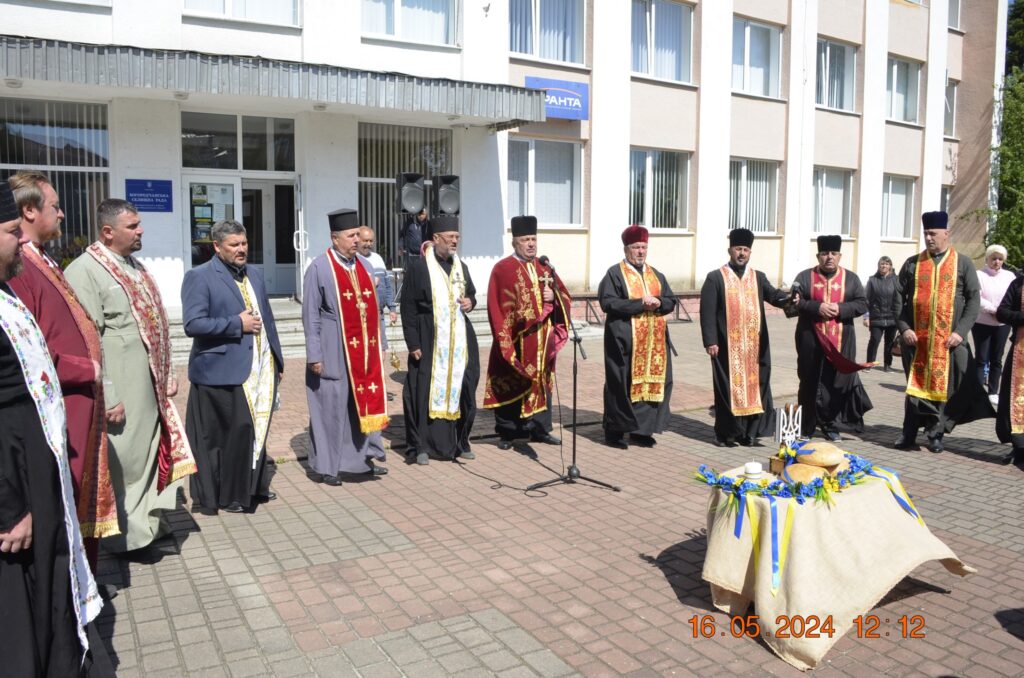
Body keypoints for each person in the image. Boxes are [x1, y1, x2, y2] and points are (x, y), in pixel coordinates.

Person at [0, 180, 106, 675]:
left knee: (54, 572)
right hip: (16, 481)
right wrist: (10, 507)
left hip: (40, 458)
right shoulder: (18, 275)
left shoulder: (12, 279)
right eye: (8, 231)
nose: (17, 240)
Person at [65, 199, 195, 553]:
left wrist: (167, 372)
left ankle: (149, 524)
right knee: (129, 460)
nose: (141, 231)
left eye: (139, 224)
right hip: (121, 386)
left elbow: (156, 324)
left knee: (152, 453)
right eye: (133, 226)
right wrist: (108, 391)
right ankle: (130, 540)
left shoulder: (133, 266)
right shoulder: (85, 271)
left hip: (148, 384)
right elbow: (86, 340)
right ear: (108, 232)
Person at [6, 171, 117, 572]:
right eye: (54, 206)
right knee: (63, 501)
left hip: (80, 405)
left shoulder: (42, 260)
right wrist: (86, 367)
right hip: (62, 408)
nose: (63, 214)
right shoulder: (18, 268)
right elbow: (28, 352)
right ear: (29, 211)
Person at [181, 219, 284, 514]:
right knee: (227, 436)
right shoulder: (199, 276)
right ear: (217, 246)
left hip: (258, 368)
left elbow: (268, 318)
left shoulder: (255, 273)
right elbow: (193, 324)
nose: (241, 250)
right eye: (234, 245)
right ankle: (227, 496)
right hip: (220, 371)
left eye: (244, 243)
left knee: (254, 430)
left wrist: (276, 360)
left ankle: (251, 487)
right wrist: (235, 324)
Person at [894, 211, 994, 453]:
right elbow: (898, 297)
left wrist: (960, 332)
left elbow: (973, 300)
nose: (928, 238)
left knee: (947, 389)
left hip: (949, 340)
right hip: (917, 341)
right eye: (926, 233)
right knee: (915, 388)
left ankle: (936, 434)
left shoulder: (963, 263)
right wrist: (905, 327)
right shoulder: (912, 263)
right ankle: (908, 434)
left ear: (946, 234)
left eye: (933, 233)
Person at [302, 208, 388, 485]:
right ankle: (328, 467)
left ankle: (359, 461)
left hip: (363, 352)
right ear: (334, 238)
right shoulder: (319, 267)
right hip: (332, 349)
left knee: (358, 404)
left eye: (357, 235)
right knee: (331, 407)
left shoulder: (364, 266)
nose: (356, 240)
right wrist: (314, 353)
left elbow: (375, 310)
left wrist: (380, 344)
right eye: (350, 236)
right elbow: (311, 314)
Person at [483, 215, 571, 450]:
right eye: (525, 239)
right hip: (516, 338)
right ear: (515, 243)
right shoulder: (503, 269)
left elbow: (564, 294)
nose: (531, 243)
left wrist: (556, 298)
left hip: (542, 341)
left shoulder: (544, 266)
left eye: (533, 239)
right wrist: (511, 331)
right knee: (512, 380)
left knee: (541, 383)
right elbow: (496, 304)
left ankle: (540, 430)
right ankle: (508, 433)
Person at [699, 228, 790, 447]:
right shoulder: (715, 277)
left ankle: (748, 432)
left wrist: (790, 297)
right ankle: (725, 433)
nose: (742, 253)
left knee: (756, 388)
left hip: (754, 347)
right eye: (738, 249)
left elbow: (773, 296)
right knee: (727, 390)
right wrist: (710, 340)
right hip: (725, 346)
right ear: (730, 250)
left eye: (746, 250)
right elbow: (707, 312)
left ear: (750, 252)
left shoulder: (757, 277)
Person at [400, 215, 480, 464]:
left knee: (465, 385)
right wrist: (413, 343)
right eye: (451, 237)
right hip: (428, 338)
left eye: (457, 237)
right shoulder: (419, 268)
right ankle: (421, 445)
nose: (455, 241)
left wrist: (471, 302)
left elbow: (472, 294)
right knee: (422, 390)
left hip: (459, 339)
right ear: (436, 239)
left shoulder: (461, 266)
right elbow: (408, 307)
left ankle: (460, 442)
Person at [598, 224, 677, 449]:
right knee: (621, 385)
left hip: (654, 344)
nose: (641, 251)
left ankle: (642, 431)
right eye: (636, 247)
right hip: (624, 342)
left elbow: (671, 300)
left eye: (643, 247)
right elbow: (608, 303)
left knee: (650, 386)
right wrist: (640, 303)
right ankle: (614, 432)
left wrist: (659, 302)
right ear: (626, 249)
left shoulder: (656, 274)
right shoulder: (615, 273)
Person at [791, 235, 873, 440]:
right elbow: (793, 303)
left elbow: (862, 304)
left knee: (836, 384)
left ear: (840, 256)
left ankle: (830, 425)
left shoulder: (851, 279)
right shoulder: (804, 276)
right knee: (808, 381)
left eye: (833, 254)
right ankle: (806, 426)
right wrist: (816, 307)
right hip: (810, 339)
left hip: (841, 341)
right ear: (818, 255)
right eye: (825, 253)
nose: (829, 257)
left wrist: (839, 308)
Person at [358, 226, 398, 401]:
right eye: (365, 241)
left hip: (379, 315)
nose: (368, 244)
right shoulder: (355, 260)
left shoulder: (378, 259)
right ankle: (365, 386)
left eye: (370, 241)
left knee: (381, 350)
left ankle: (378, 385)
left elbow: (388, 286)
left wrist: (392, 308)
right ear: (357, 239)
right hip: (362, 318)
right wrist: (368, 283)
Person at [973, 244, 1015, 407]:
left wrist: (1003, 314)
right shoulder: (979, 275)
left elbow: (1012, 297)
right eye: (993, 258)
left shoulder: (1009, 276)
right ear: (987, 259)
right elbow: (977, 297)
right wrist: (993, 310)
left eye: (1000, 259)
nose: (997, 262)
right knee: (981, 358)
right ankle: (977, 392)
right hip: (982, 322)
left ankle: (992, 391)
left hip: (1002, 324)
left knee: (997, 358)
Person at [995, 269, 1024, 468]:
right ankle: (1019, 446)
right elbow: (1002, 312)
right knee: (1014, 401)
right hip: (1019, 354)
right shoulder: (1018, 284)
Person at [864, 256, 899, 371]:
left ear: (890, 266)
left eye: (886, 264)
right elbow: (866, 300)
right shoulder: (872, 280)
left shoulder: (896, 280)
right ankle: (869, 364)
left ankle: (887, 365)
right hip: (876, 317)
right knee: (874, 340)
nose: (884, 266)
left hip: (892, 318)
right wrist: (866, 316)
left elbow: (900, 299)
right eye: (882, 264)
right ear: (878, 266)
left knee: (889, 342)